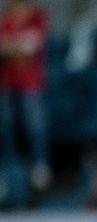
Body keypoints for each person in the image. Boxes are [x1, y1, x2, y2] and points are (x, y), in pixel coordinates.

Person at [0, 0, 49, 190]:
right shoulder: (5, 20)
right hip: (6, 82)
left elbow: (30, 49)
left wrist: (10, 47)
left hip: (31, 83)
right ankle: (6, 170)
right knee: (5, 125)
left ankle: (40, 164)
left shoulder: (37, 18)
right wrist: (16, 48)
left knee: (35, 122)